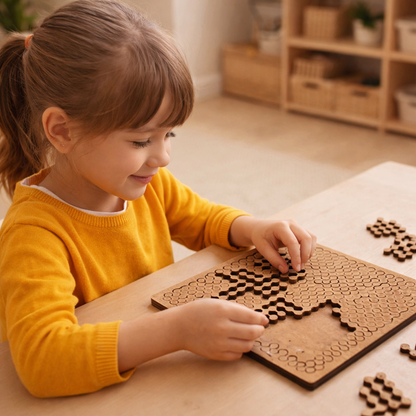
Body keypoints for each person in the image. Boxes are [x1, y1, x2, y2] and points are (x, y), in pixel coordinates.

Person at [0, 0, 316, 398]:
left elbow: (201, 219)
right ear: (61, 131)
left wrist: (252, 227)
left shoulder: (147, 183)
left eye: (169, 135)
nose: (163, 156)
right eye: (140, 140)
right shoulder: (33, 234)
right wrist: (176, 330)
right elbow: (43, 362)